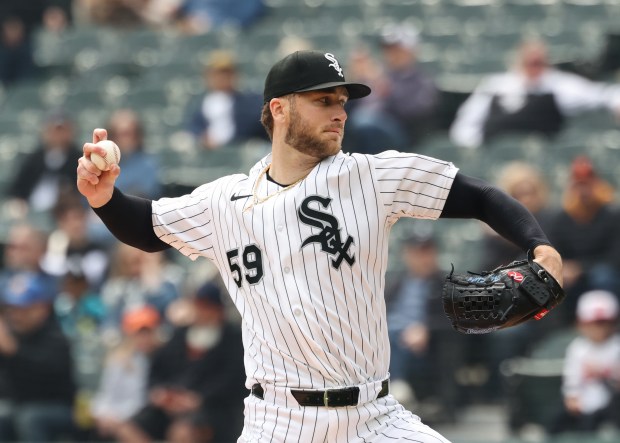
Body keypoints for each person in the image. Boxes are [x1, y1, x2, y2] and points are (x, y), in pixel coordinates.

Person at [77, 49, 563, 442]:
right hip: (278, 423)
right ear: (279, 108)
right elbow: (145, 226)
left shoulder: (369, 177)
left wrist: (542, 248)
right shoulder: (224, 201)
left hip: (375, 417)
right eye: (323, 100)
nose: (339, 112)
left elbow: (479, 196)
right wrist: (104, 197)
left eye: (342, 102)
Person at [116, 281, 245, 443]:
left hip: (213, 408)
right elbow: (158, 368)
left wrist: (199, 398)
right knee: (128, 428)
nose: (202, 311)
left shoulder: (233, 338)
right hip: (171, 404)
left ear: (218, 310)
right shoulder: (181, 335)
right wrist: (160, 392)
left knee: (182, 433)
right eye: (198, 305)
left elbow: (233, 380)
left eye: (207, 306)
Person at [450, 39, 620, 149]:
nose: (534, 67)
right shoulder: (496, 85)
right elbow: (465, 123)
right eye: (529, 62)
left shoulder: (560, 85)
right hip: (495, 152)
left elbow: (604, 94)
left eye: (539, 62)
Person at [0, 271, 76, 442]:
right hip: (19, 406)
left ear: (42, 308)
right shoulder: (13, 334)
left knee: (30, 418)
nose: (15, 315)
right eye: (11, 309)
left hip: (60, 408)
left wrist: (13, 350)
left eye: (23, 309)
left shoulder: (56, 336)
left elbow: (47, 376)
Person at [546, 156, 620, 323]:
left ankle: (610, 325)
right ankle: (563, 332)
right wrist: (564, 267)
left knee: (603, 276)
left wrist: (581, 267)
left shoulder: (613, 214)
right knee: (555, 282)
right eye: (579, 185)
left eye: (588, 184)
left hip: (606, 274)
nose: (584, 191)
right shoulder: (562, 218)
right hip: (575, 278)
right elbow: (553, 251)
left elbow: (615, 258)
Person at [345, 23, 439, 154]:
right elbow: (350, 107)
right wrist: (354, 79)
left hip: (402, 135)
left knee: (365, 121)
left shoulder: (421, 81)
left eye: (397, 49)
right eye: (388, 49)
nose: (392, 54)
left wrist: (382, 84)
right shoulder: (377, 73)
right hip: (363, 128)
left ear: (411, 51)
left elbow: (414, 113)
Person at [548, 290, 620, 435]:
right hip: (584, 401)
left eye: (603, 323)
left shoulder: (617, 346)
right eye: (593, 323)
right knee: (556, 422)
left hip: (612, 403)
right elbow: (571, 378)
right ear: (581, 324)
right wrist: (572, 397)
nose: (599, 328)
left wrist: (606, 373)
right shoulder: (577, 348)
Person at [90, 305, 162, 441]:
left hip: (146, 417)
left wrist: (118, 420)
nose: (144, 338)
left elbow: (142, 399)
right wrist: (104, 416)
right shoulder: (118, 361)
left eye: (148, 333)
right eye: (139, 333)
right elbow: (106, 395)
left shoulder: (161, 359)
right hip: (119, 417)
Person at [5, 108, 82, 216]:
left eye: (62, 130)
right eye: (54, 130)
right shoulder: (33, 158)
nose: (58, 135)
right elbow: (17, 189)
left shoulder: (79, 158)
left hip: (66, 213)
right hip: (31, 211)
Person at [186, 50, 267, 150]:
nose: (222, 78)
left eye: (226, 73)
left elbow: (254, 125)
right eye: (217, 74)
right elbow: (194, 127)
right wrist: (203, 138)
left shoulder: (250, 102)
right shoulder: (202, 104)